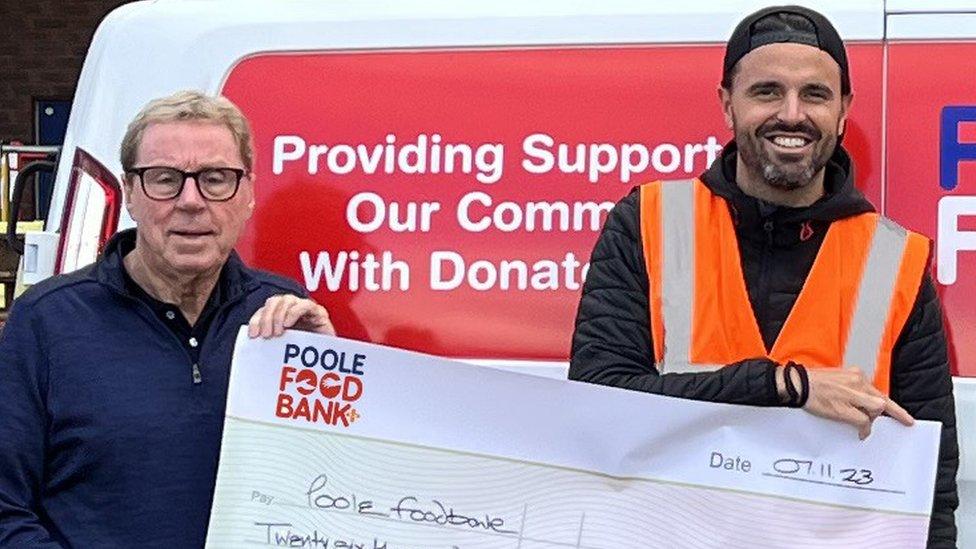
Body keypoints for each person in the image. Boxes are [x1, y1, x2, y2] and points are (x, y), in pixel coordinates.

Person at [569, 6, 958, 546]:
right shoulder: (648, 221)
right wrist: (782, 386)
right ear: (728, 103)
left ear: (844, 110)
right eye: (767, 91)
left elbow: (929, 486)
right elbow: (595, 402)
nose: (792, 115)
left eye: (815, 95)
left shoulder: (898, 259)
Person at [0, 90, 335, 547]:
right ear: (131, 194)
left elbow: (328, 492)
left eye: (216, 178)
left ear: (249, 193)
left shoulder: (285, 316)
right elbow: (7, 511)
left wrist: (331, 370)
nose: (192, 201)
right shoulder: (46, 321)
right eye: (164, 179)